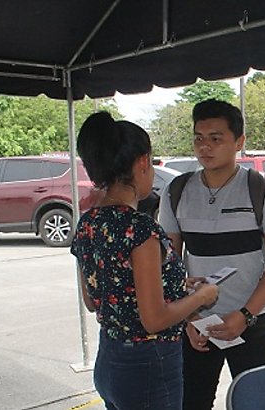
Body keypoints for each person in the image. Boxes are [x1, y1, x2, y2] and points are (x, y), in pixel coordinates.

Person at [71, 112, 219, 409]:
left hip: (110, 361)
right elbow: (153, 319)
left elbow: (93, 298)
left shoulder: (87, 223)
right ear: (141, 162)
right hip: (149, 363)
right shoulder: (140, 229)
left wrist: (175, 284)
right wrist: (202, 296)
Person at [158, 99, 265, 409]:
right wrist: (189, 317)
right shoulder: (176, 191)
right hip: (197, 324)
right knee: (192, 401)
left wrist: (244, 315)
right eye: (198, 138)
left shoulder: (262, 190)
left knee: (254, 402)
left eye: (216, 138)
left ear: (239, 142)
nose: (204, 147)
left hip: (253, 321)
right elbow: (167, 263)